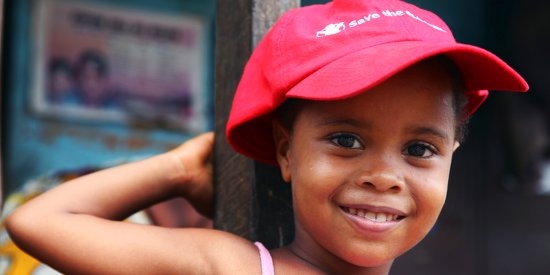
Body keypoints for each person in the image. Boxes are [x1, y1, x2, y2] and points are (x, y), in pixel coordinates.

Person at [5, 0, 528, 274]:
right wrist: (180, 169)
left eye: (420, 149)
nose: (384, 177)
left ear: (451, 157)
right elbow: (38, 221)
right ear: (285, 150)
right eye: (346, 140)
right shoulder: (231, 267)